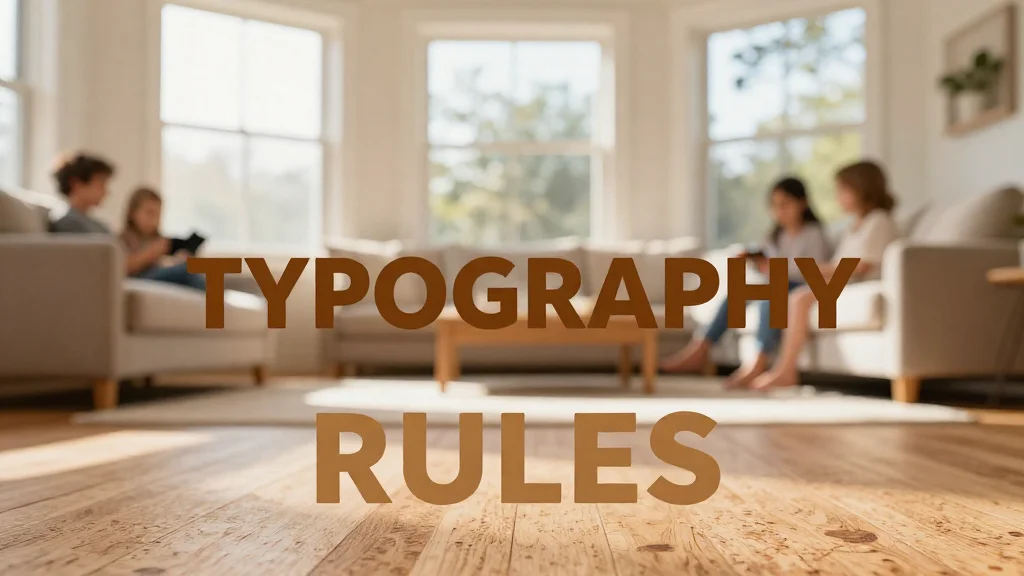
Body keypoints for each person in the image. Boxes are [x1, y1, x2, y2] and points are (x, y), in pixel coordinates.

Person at [661, 177, 831, 388]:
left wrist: (778, 268)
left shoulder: (814, 234)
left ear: (802, 203)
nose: (780, 211)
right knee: (737, 293)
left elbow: (814, 271)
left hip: (797, 285)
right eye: (775, 205)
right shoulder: (775, 236)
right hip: (774, 284)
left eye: (785, 204)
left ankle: (758, 364)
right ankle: (699, 350)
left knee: (768, 301)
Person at [751, 160, 899, 391]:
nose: (837, 197)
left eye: (842, 190)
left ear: (862, 189)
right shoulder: (854, 226)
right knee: (797, 296)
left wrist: (816, 269)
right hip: (843, 281)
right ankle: (782, 368)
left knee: (799, 298)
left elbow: (862, 265)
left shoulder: (878, 221)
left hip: (857, 283)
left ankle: (786, 369)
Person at [120, 187, 205, 291]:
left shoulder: (159, 239)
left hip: (158, 279)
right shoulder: (123, 239)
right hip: (138, 281)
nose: (153, 220)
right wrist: (152, 252)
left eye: (158, 215)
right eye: (149, 213)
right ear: (132, 212)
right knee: (187, 270)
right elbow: (124, 268)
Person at [49, 153, 117, 235]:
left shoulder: (98, 225)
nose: (106, 192)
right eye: (101, 185)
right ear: (76, 185)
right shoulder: (67, 223)